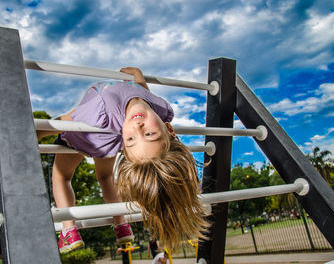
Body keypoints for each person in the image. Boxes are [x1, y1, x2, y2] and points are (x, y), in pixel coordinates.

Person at [37, 67, 208, 253]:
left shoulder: (102, 108)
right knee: (105, 178)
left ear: (124, 148)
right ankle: (121, 224)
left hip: (79, 139)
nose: (138, 127)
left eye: (131, 139)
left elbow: (65, 121)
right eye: (150, 134)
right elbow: (144, 93)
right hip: (107, 144)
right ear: (169, 129)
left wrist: (35, 133)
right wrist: (138, 76)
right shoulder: (160, 107)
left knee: (61, 177)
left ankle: (69, 230)